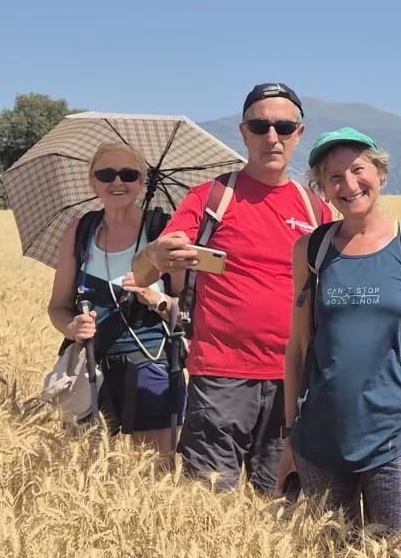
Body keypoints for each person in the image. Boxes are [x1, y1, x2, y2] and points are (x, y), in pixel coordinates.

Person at [134, 82, 327, 494]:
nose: (272, 137)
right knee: (208, 505)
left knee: (282, 506)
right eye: (259, 127)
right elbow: (143, 274)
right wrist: (153, 254)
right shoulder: (211, 199)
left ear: (299, 134)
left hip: (293, 379)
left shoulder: (316, 211)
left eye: (284, 127)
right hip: (220, 376)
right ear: (243, 133)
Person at [278, 128, 401, 558]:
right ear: (322, 187)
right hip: (321, 439)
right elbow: (298, 348)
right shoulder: (312, 250)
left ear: (381, 173)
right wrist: (290, 438)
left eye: (358, 170)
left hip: (397, 437)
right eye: (334, 177)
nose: (349, 185)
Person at [46, 142, 182, 463]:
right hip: (90, 366)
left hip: (151, 364)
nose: (117, 182)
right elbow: (57, 307)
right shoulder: (81, 230)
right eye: (106, 174)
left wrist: (155, 298)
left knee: (154, 470)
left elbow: (188, 310)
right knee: (85, 470)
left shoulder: (163, 232)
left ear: (142, 182)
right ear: (92, 181)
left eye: (128, 174)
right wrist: (72, 327)